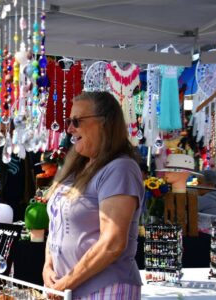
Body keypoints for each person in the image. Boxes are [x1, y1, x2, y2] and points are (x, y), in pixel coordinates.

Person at [43, 91, 144, 299]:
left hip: (105, 289)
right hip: (69, 289)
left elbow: (112, 243)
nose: (70, 128)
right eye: (69, 121)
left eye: (77, 121)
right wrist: (48, 267)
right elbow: (56, 224)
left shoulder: (120, 168)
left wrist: (66, 282)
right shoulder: (77, 166)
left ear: (104, 123)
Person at [0, 126, 37, 221]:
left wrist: (29, 195)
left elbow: (30, 174)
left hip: (20, 203)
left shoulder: (23, 150)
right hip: (1, 203)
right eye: (3, 130)